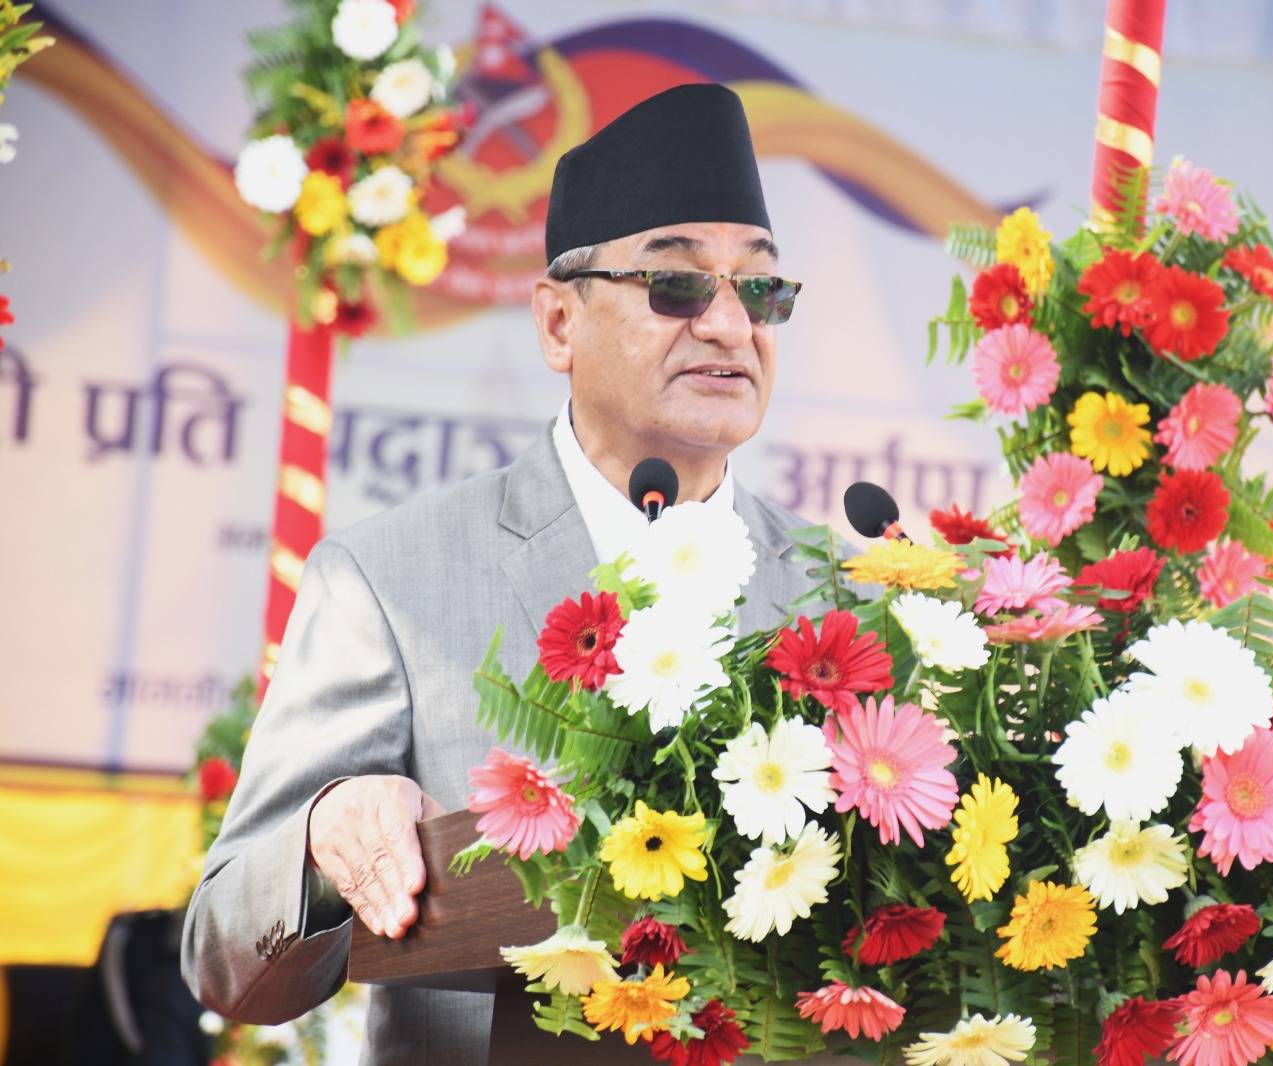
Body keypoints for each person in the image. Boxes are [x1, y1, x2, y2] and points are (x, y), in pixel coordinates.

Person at [182, 83, 824, 1064]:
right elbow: (224, 956)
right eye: (678, 285)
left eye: (762, 290)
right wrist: (323, 843)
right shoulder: (391, 581)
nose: (732, 326)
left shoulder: (850, 595)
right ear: (559, 323)